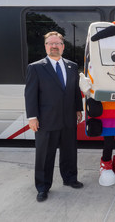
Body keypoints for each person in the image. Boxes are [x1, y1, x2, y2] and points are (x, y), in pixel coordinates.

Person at [24, 31, 83, 202]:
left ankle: (70, 178)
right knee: (44, 156)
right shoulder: (35, 68)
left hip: (68, 119)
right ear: (45, 46)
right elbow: (30, 94)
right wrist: (32, 117)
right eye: (50, 43)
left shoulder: (72, 66)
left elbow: (74, 92)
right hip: (46, 120)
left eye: (57, 43)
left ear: (63, 46)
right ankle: (42, 187)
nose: (54, 46)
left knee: (70, 152)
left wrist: (78, 109)